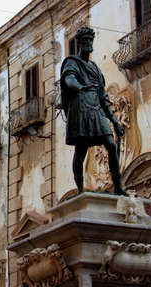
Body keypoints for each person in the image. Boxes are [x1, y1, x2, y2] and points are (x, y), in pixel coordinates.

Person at [60, 27, 127, 196]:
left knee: (111, 145)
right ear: (80, 43)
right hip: (81, 110)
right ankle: (81, 189)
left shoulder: (95, 68)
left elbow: (103, 98)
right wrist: (80, 87)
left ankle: (118, 186)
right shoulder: (72, 62)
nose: (88, 43)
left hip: (96, 109)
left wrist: (115, 122)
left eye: (90, 40)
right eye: (85, 41)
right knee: (81, 150)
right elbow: (69, 79)